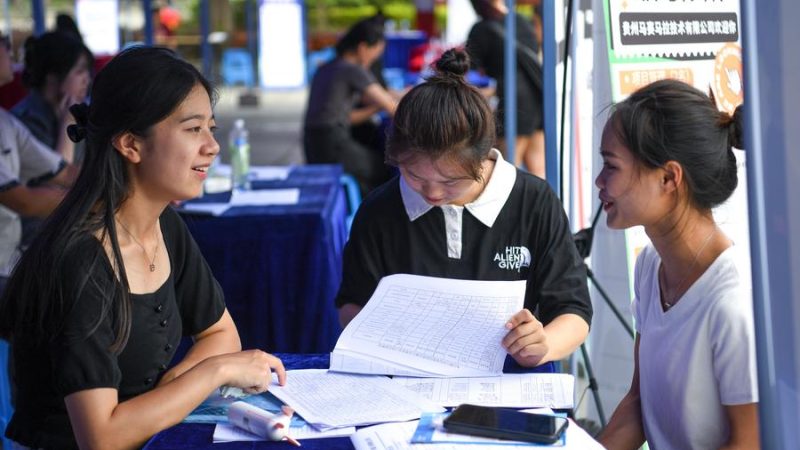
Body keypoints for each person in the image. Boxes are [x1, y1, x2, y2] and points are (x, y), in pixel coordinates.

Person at [0, 46, 286, 449]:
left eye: (211, 128)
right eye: (193, 129)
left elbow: (221, 331)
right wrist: (213, 373)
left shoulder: (163, 224)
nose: (212, 146)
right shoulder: (81, 261)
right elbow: (101, 438)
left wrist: (178, 384)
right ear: (130, 144)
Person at [335, 49, 591, 370]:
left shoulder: (533, 201)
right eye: (414, 176)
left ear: (483, 158)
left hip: (509, 375)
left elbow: (573, 310)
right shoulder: (380, 210)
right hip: (406, 377)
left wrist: (544, 344)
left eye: (451, 181)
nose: (432, 193)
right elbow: (352, 304)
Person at [595, 79, 759, 449]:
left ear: (669, 178)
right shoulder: (650, 266)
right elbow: (638, 404)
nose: (599, 181)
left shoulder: (732, 303)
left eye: (611, 166)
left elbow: (750, 443)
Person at [0, 32, 77, 296]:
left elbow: (65, 172)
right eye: (2, 42)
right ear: (55, 78)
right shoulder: (28, 116)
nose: (9, 48)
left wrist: (131, 181)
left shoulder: (6, 122)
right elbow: (24, 201)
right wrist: (104, 196)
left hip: (10, 263)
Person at [304, 17, 398, 196]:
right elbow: (393, 107)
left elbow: (344, 116)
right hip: (333, 146)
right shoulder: (352, 69)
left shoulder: (329, 67)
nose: (374, 60)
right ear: (363, 48)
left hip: (314, 147)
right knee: (384, 168)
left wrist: (378, 106)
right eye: (375, 53)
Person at [466, 0, 545, 177]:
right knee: (539, 171)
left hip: (513, 101)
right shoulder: (522, 21)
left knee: (506, 170)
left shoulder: (480, 29)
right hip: (537, 96)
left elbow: (472, 71)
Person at [12, 31, 93, 164]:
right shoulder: (24, 123)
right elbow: (59, 174)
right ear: (52, 77)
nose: (87, 80)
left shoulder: (82, 111)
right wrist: (67, 123)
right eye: (79, 71)